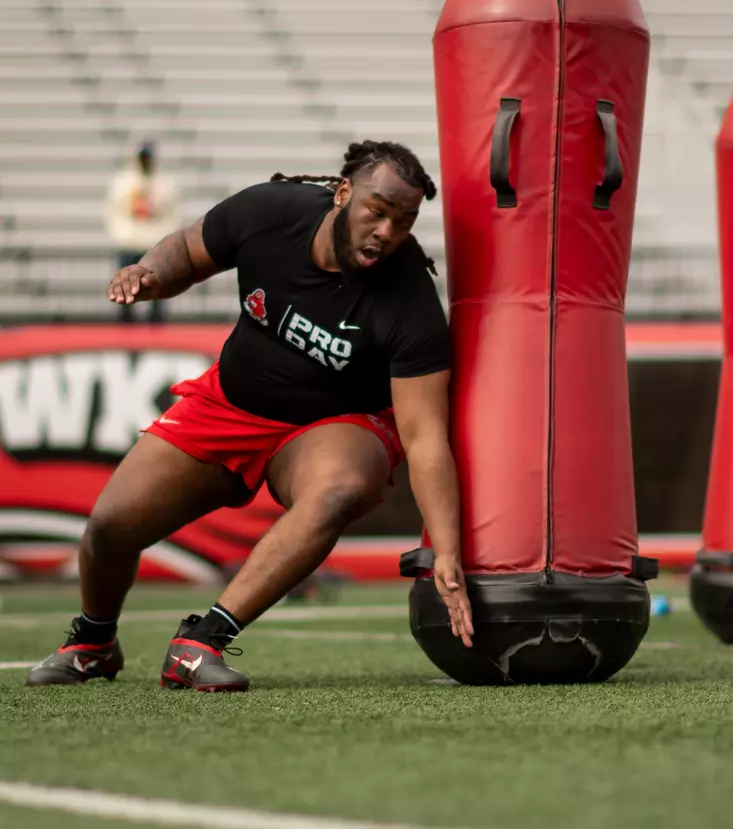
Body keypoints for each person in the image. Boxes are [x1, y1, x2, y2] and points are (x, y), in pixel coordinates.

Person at [27, 140, 473, 692]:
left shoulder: (408, 299)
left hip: (334, 425)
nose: (386, 231)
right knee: (111, 528)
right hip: (231, 403)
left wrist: (446, 553)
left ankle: (201, 641)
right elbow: (188, 251)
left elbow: (425, 435)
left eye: (402, 221)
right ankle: (93, 644)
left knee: (340, 489)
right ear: (342, 194)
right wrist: (148, 272)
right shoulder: (271, 211)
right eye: (376, 211)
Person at [104, 141, 181, 323]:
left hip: (154, 244)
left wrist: (165, 237)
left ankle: (156, 325)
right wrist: (122, 235)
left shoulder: (164, 184)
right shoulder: (124, 183)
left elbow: (173, 213)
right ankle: (125, 325)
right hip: (129, 243)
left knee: (157, 290)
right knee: (125, 289)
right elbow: (113, 211)